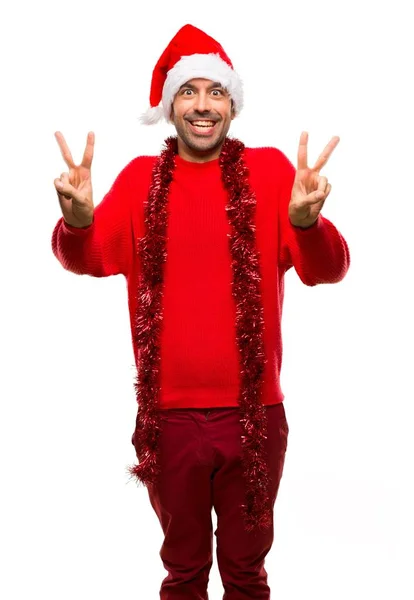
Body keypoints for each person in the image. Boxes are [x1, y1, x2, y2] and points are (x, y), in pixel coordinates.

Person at [52, 23, 350, 600]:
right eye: (189, 91)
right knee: (183, 574)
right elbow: (86, 257)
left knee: (246, 574)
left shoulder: (270, 173)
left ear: (232, 104)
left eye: (216, 91)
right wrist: (79, 220)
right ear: (170, 107)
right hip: (169, 420)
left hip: (255, 416)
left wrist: (308, 225)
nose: (203, 104)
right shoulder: (142, 180)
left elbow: (328, 269)